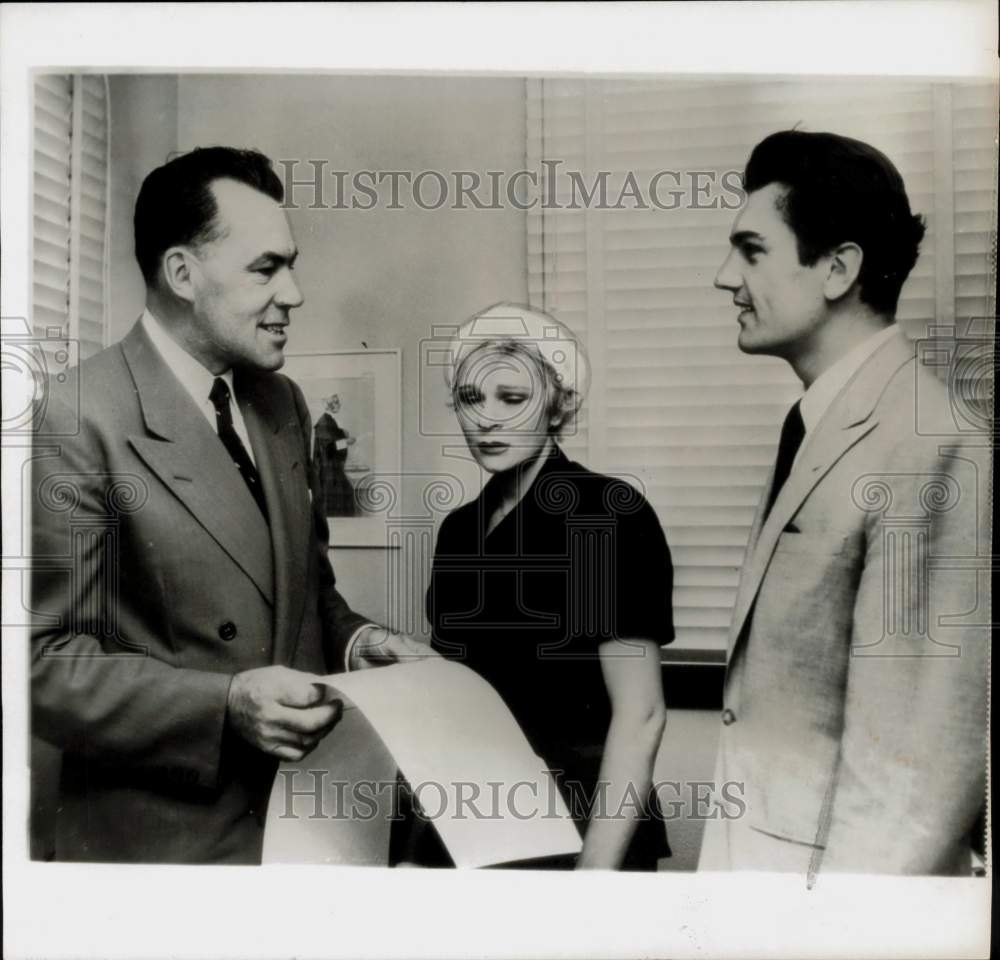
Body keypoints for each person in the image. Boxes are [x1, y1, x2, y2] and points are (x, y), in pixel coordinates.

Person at [30, 146, 429, 863]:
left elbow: (307, 596)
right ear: (183, 273)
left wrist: (358, 642)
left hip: (305, 828)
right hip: (163, 852)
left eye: (292, 263)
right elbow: (42, 662)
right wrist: (224, 704)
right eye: (267, 267)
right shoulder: (77, 413)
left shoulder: (281, 405)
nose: (296, 294)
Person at [699, 130, 989, 875]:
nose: (724, 277)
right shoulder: (820, 420)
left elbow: (912, 780)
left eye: (751, 249)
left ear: (838, 268)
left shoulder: (930, 446)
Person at [417, 302, 673, 870]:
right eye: (470, 398)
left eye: (513, 399)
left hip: (584, 828)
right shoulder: (459, 529)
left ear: (562, 407)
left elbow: (643, 715)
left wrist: (593, 878)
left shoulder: (608, 514)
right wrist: (418, 843)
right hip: (475, 824)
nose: (487, 419)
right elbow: (449, 707)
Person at [313, 393, 356, 516]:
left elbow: (332, 439)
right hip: (328, 471)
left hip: (332, 468)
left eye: (338, 402)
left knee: (346, 494)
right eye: (336, 402)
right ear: (328, 404)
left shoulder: (329, 420)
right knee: (343, 496)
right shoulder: (324, 421)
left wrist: (342, 433)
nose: (339, 404)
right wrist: (346, 441)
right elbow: (329, 447)